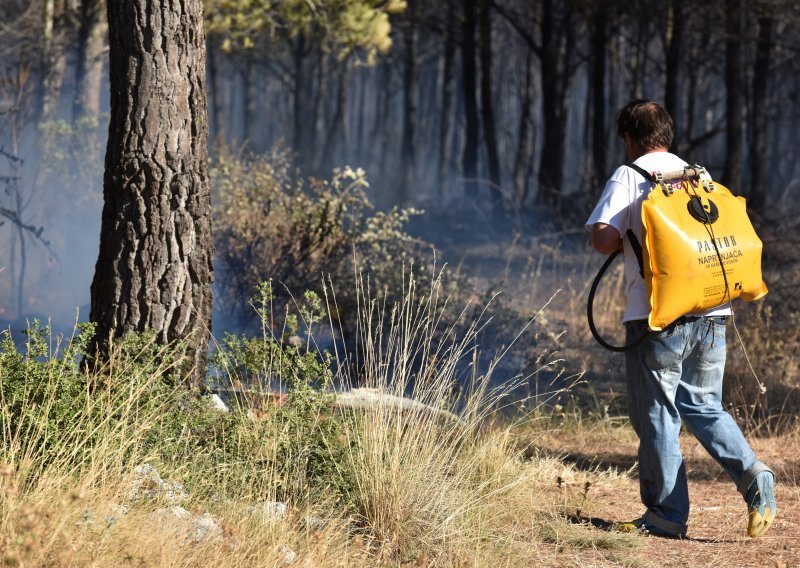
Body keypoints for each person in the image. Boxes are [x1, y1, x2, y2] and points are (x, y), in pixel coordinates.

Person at [585, 99, 776, 539]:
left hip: (658, 316)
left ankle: (667, 516)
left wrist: (629, 235)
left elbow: (602, 238)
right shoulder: (695, 175)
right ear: (666, 136)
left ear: (630, 139)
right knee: (705, 406)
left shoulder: (629, 175)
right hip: (712, 310)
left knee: (658, 415)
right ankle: (754, 475)